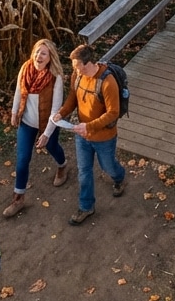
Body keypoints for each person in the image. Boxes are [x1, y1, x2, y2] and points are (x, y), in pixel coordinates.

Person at [53, 44, 126, 226]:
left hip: (104, 137)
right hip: (82, 135)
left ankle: (119, 177)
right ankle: (86, 207)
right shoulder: (77, 76)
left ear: (88, 63)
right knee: (84, 171)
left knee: (107, 167)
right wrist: (62, 113)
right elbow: (73, 97)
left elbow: (113, 113)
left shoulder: (108, 83)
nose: (74, 69)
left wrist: (90, 126)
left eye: (77, 65)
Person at [3, 39, 69, 219]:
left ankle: (63, 166)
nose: (39, 56)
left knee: (52, 147)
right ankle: (18, 198)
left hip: (47, 123)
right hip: (26, 123)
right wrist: (14, 112)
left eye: (44, 54)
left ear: (50, 58)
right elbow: (19, 91)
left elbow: (55, 111)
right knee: (22, 159)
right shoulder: (25, 69)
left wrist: (47, 134)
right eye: (37, 52)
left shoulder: (55, 79)